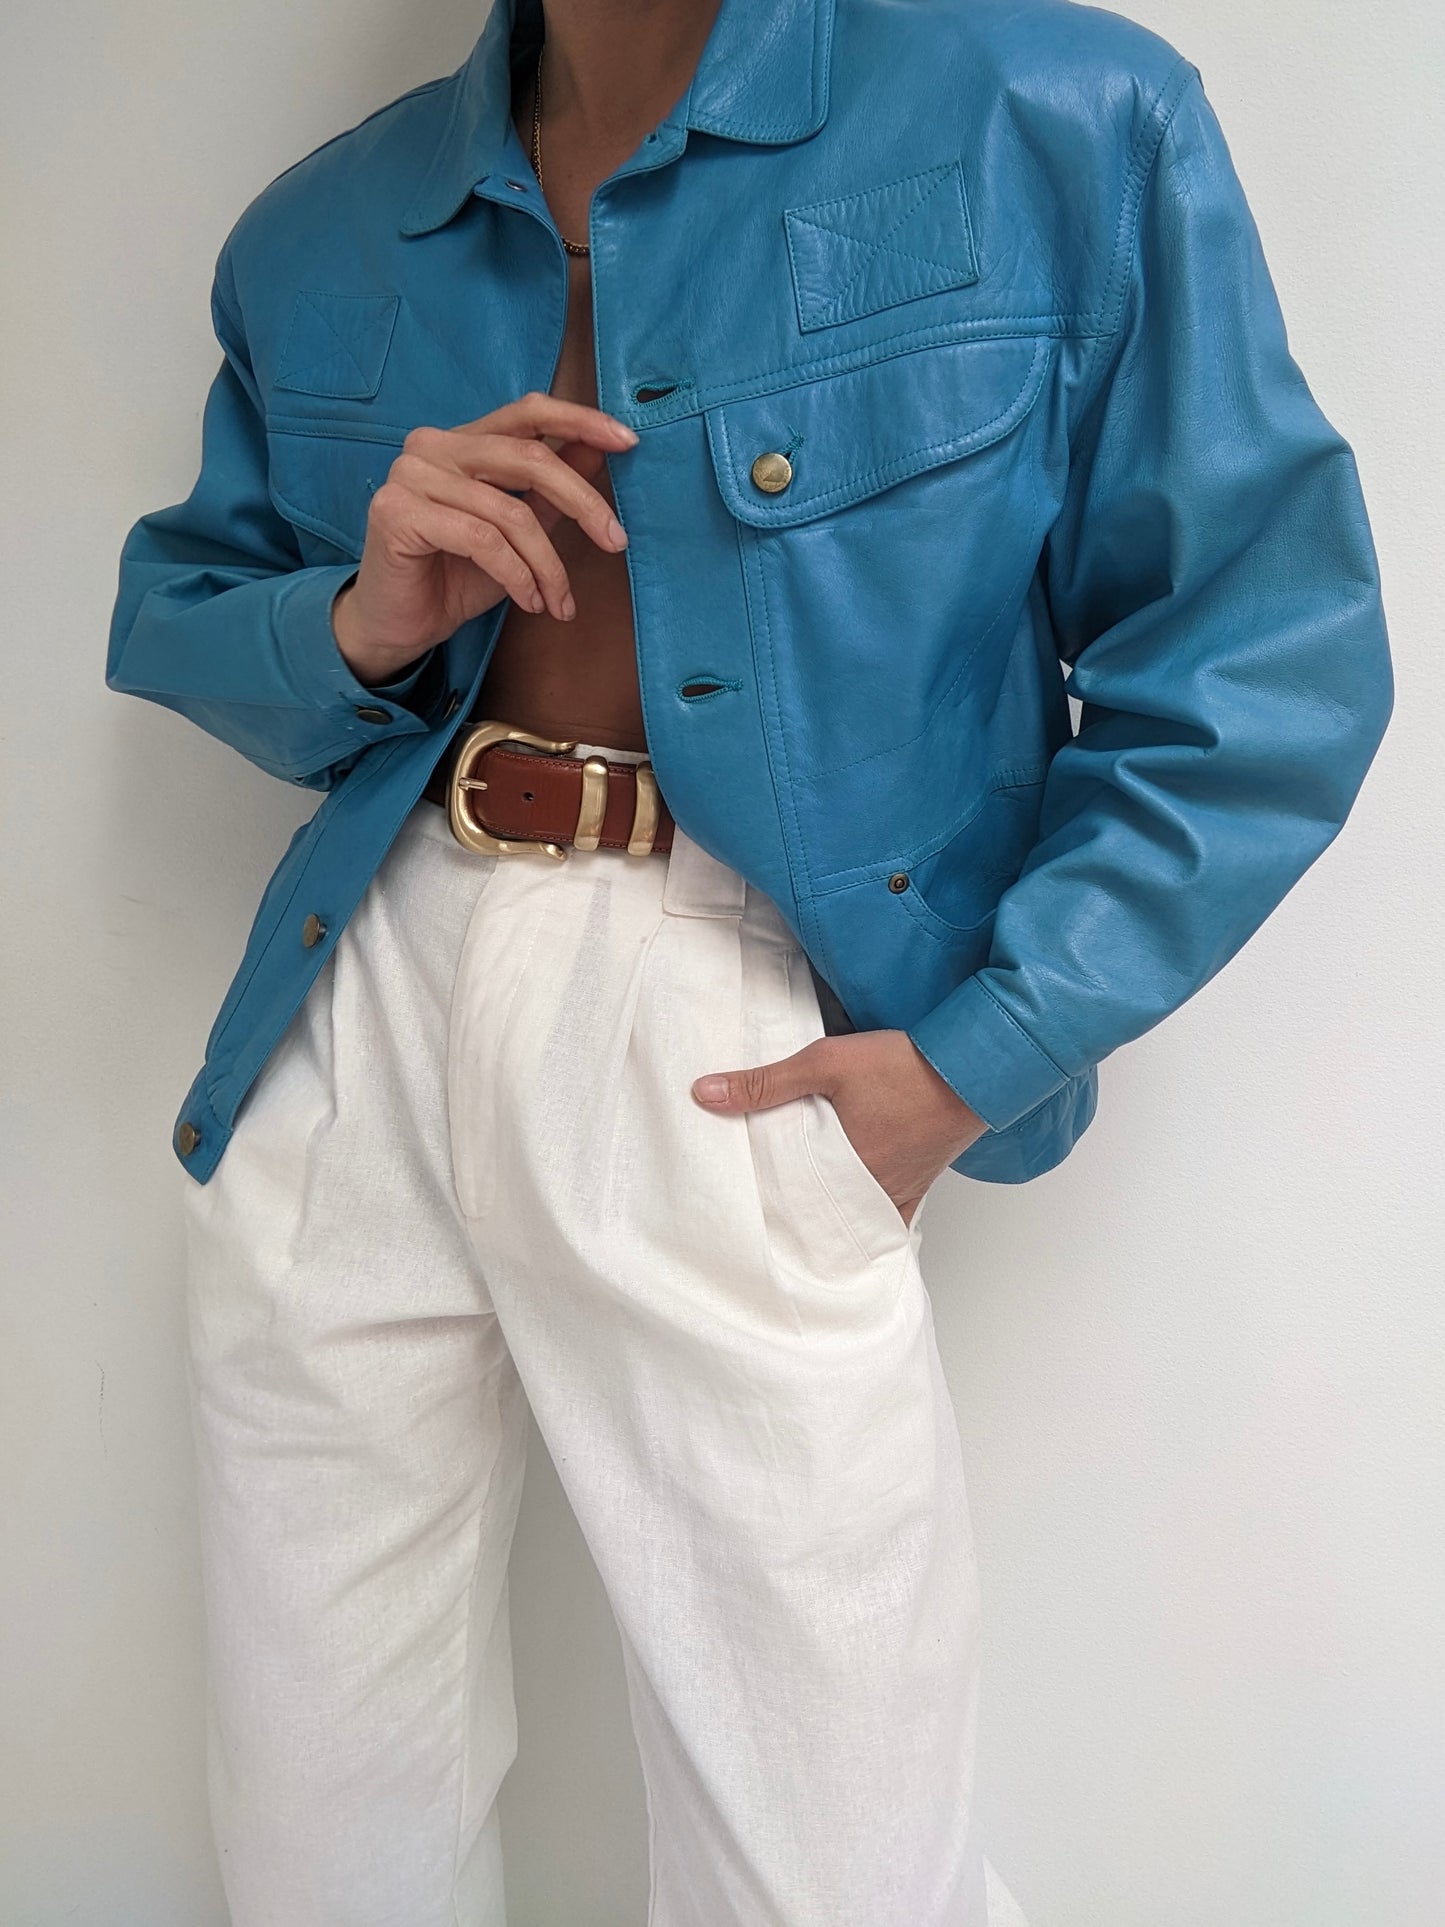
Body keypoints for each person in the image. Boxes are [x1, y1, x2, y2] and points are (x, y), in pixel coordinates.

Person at [104, 0, 1393, 1920]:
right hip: (358, 994)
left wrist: (975, 1054)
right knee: (319, 1815)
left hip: (725, 1015)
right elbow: (183, 610)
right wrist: (361, 618)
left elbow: (1261, 660)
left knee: (825, 1846)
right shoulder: (323, 227)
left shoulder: (1057, 117)